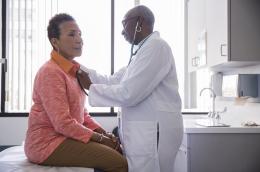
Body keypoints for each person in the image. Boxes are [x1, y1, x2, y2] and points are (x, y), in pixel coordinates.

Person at [77, 5, 183, 172]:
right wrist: (77, 67)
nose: (122, 31)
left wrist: (91, 87)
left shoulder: (157, 47)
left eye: (124, 23)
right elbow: (112, 81)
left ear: (139, 22)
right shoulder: (142, 52)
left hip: (154, 132)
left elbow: (130, 93)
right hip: (144, 132)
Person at [24, 13, 128, 172]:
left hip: (65, 137)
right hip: (47, 143)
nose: (79, 39)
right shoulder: (50, 72)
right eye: (71, 34)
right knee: (119, 163)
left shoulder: (73, 71)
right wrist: (100, 139)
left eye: (80, 34)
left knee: (117, 149)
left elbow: (82, 115)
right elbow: (63, 123)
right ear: (55, 41)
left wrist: (104, 133)